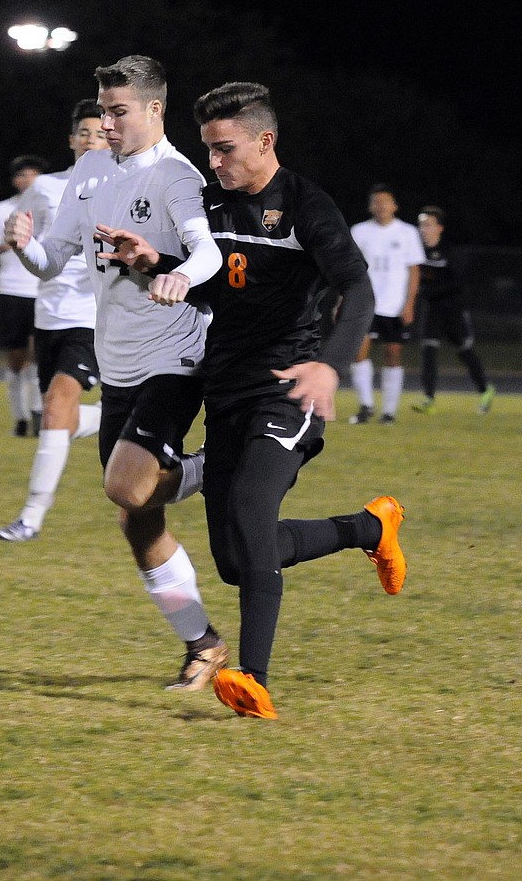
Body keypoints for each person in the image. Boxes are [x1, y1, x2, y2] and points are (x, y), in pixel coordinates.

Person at [95, 81, 407, 720]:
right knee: (240, 560)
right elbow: (209, 288)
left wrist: (329, 365)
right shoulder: (211, 205)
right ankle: (369, 527)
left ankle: (253, 681)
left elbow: (358, 286)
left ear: (265, 141)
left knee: (248, 507)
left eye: (225, 149)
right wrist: (153, 263)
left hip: (287, 391)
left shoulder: (305, 207)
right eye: (209, 150)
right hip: (226, 392)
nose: (214, 163)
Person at [4, 55, 229, 691]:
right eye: (101, 110)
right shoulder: (91, 168)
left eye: (118, 111)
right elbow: (53, 263)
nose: (105, 123)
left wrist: (180, 273)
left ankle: (215, 463)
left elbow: (207, 247)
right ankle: (203, 643)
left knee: (128, 488)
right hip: (120, 362)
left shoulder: (177, 175)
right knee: (137, 517)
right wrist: (24, 243)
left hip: (175, 355)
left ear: (155, 109)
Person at [0, 100, 109, 542]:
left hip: (95, 319)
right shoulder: (44, 190)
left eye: (99, 133)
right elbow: (34, 247)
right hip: (49, 316)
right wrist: (19, 242)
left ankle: (30, 517)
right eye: (83, 132)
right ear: (71, 139)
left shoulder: (125, 187)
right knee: (58, 418)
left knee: (57, 407)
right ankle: (115, 415)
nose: (91, 140)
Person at [0, 154, 50, 436]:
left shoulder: (52, 207)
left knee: (39, 356)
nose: (28, 180)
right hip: (11, 291)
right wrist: (4, 247)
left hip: (44, 290)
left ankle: (38, 413)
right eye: (22, 175)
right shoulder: (0, 211)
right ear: (14, 180)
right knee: (16, 359)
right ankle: (19, 417)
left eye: (34, 174)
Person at [348, 184, 424, 424]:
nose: (380, 206)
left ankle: (389, 411)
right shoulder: (359, 231)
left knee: (393, 354)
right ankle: (366, 405)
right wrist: (343, 298)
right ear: (370, 206)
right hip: (365, 303)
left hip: (394, 305)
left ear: (394, 205)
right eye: (376, 201)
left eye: (385, 201)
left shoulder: (407, 232)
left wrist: (409, 304)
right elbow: (350, 268)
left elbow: (414, 270)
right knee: (358, 353)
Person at [412, 206, 496, 414]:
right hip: (433, 311)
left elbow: (458, 283)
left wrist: (428, 290)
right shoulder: (415, 250)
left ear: (439, 228)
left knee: (465, 353)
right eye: (421, 225)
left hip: (453, 310)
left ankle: (485, 390)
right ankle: (429, 398)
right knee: (428, 352)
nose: (424, 229)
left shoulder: (449, 251)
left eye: (428, 225)